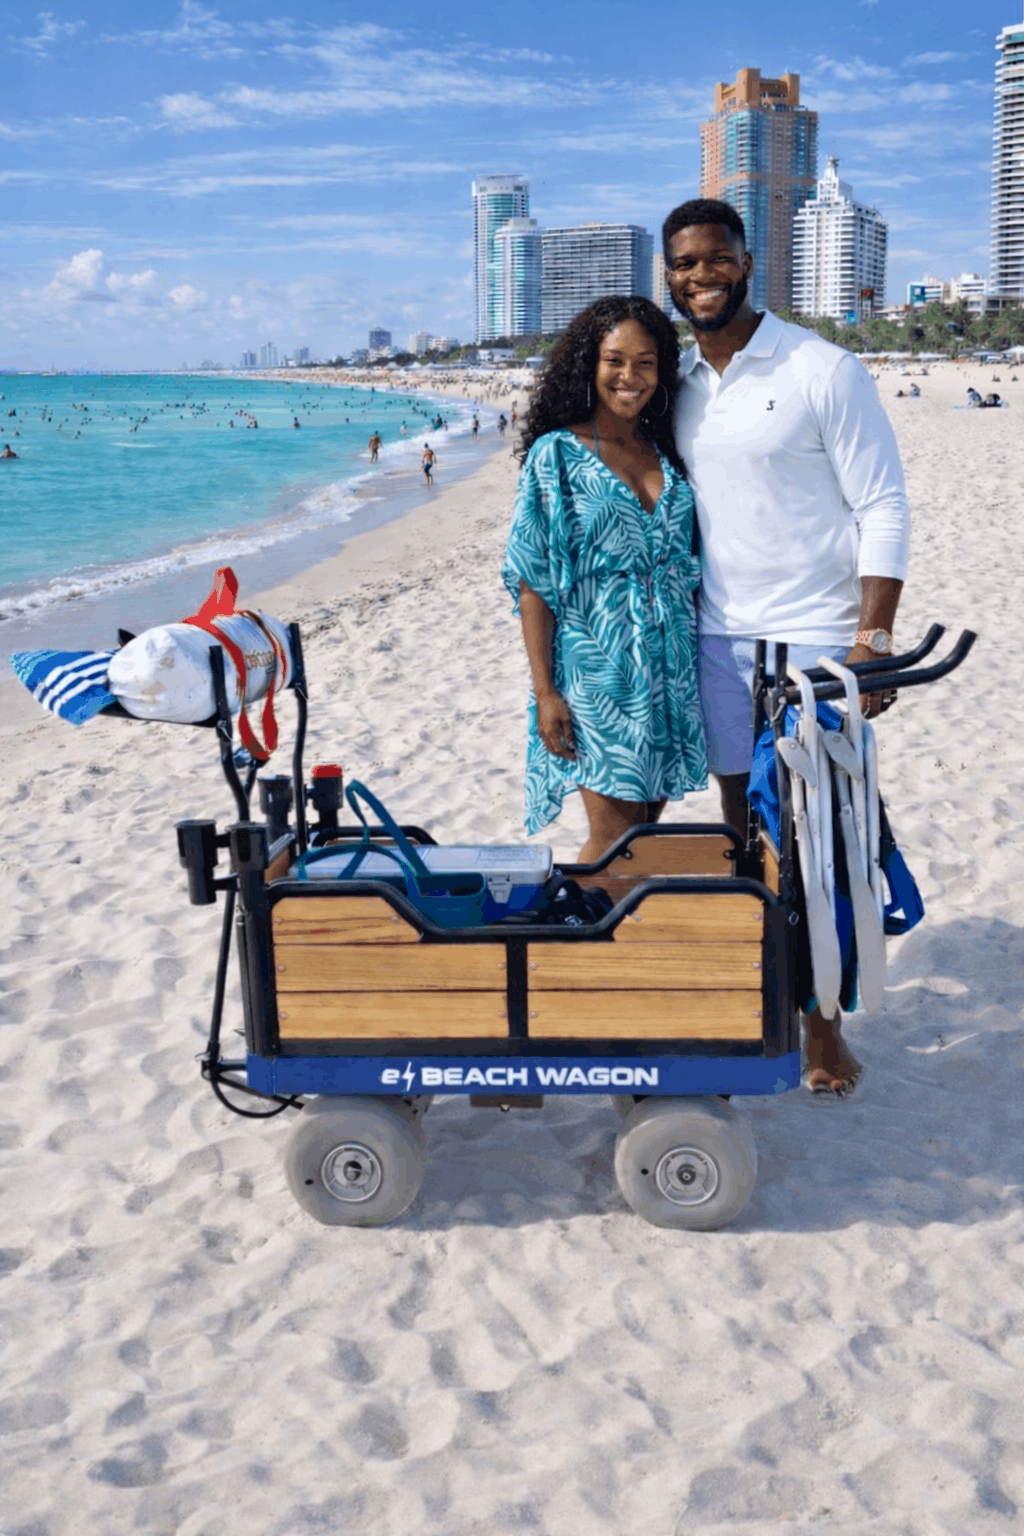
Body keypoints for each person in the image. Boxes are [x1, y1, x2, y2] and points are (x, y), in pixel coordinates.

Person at [664, 196, 911, 1099]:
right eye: (684, 264)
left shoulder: (822, 367)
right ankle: (761, 997)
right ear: (670, 274)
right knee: (743, 831)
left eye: (714, 258)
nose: (700, 275)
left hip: (813, 640)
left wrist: (872, 636)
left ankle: (823, 1030)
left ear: (745, 261)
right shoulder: (679, 383)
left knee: (822, 838)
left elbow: (882, 503)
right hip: (717, 640)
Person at [502, 295, 706, 861]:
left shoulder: (665, 451)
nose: (629, 376)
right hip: (599, 671)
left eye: (645, 363)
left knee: (642, 840)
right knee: (613, 839)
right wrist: (545, 691)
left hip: (671, 669)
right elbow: (532, 582)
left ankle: (612, 942)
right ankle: (567, 945)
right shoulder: (557, 455)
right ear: (589, 365)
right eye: (615, 360)